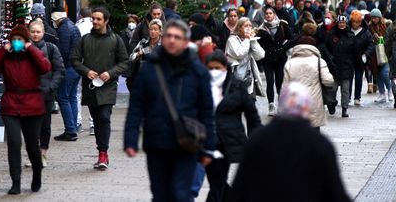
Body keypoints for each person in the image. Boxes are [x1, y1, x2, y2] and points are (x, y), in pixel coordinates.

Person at [123, 20, 216, 202]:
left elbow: (207, 111)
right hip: (156, 142)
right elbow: (136, 107)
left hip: (186, 143)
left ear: (185, 41)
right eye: (169, 36)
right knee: (160, 195)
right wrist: (130, 139)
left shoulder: (197, 71)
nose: (172, 40)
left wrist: (208, 148)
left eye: (177, 37)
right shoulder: (149, 69)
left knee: (180, 194)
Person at [228, 83, 351, 202]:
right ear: (307, 107)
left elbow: (240, 188)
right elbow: (335, 192)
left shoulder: (258, 139)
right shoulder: (320, 144)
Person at [0, 25, 51, 194]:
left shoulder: (33, 55)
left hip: (33, 105)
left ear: (26, 41)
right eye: (13, 39)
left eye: (19, 40)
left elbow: (45, 67)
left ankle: (37, 172)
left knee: (32, 145)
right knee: (14, 142)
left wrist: (30, 49)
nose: (16, 42)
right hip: (11, 104)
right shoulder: (6, 57)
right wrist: (3, 50)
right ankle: (16, 181)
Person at [72, 7, 129, 170]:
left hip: (108, 86)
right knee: (96, 120)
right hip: (90, 86)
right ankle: (101, 151)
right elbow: (74, 59)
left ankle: (103, 153)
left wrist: (110, 73)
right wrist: (86, 71)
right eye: (93, 19)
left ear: (106, 21)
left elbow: (124, 62)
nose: (95, 22)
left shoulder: (116, 40)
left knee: (104, 117)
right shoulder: (85, 39)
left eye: (98, 19)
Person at [202, 50, 262, 202]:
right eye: (210, 68)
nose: (214, 72)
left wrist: (255, 140)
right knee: (217, 181)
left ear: (225, 68)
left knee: (218, 181)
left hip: (227, 142)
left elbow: (252, 116)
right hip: (206, 142)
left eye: (217, 68)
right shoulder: (201, 86)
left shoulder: (237, 86)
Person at [29, 20, 64, 167]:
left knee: (44, 126)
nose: (35, 35)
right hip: (28, 94)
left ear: (43, 32)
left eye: (38, 32)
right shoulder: (23, 49)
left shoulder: (51, 49)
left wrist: (51, 87)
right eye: (33, 32)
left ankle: (42, 153)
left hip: (45, 94)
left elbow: (60, 70)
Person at [283, 36, 335, 129]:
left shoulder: (290, 63)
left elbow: (285, 87)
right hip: (314, 100)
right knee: (314, 129)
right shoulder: (319, 62)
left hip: (296, 101)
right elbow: (328, 80)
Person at [51, 7, 83, 141]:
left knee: (63, 97)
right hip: (76, 67)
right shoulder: (73, 26)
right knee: (72, 97)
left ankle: (70, 130)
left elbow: (63, 51)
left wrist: (57, 67)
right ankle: (73, 127)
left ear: (57, 18)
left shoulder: (63, 29)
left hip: (68, 67)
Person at [257, 7, 293, 114]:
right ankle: (271, 105)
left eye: (270, 13)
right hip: (267, 59)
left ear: (274, 14)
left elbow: (291, 38)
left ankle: (281, 104)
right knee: (269, 81)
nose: (268, 15)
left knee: (279, 82)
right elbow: (258, 44)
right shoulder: (261, 29)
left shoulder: (282, 25)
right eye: (266, 14)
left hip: (280, 58)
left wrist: (284, 47)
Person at [326, 15, 358, 118]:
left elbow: (355, 52)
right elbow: (326, 49)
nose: (342, 24)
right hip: (334, 67)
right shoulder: (331, 35)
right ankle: (331, 104)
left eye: (343, 23)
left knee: (345, 90)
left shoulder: (350, 36)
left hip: (347, 67)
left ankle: (344, 108)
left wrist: (357, 64)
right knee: (332, 89)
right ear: (337, 23)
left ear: (346, 23)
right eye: (340, 23)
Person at [225, 17, 266, 96]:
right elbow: (240, 54)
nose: (249, 28)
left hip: (249, 78)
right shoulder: (232, 40)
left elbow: (260, 55)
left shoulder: (250, 39)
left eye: (250, 26)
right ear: (239, 28)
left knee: (250, 104)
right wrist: (247, 39)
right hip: (235, 76)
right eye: (246, 26)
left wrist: (253, 40)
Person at [127, 19, 163, 91]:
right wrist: (138, 54)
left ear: (160, 31)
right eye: (151, 29)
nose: (153, 31)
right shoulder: (143, 43)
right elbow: (131, 57)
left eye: (155, 29)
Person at [349, 10, 375, 104]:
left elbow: (371, 45)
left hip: (361, 58)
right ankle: (347, 97)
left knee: (359, 78)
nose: (355, 24)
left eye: (357, 22)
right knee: (349, 78)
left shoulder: (366, 33)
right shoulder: (348, 31)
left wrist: (365, 54)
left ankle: (357, 97)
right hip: (349, 58)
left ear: (360, 22)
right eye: (353, 22)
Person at [369, 9, 392, 104]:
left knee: (385, 73)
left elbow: (389, 38)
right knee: (377, 73)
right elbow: (368, 39)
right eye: (372, 18)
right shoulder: (369, 27)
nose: (374, 20)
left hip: (384, 52)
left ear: (379, 17)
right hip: (374, 53)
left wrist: (380, 39)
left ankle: (390, 90)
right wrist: (373, 37)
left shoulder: (386, 25)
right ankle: (382, 94)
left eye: (376, 18)